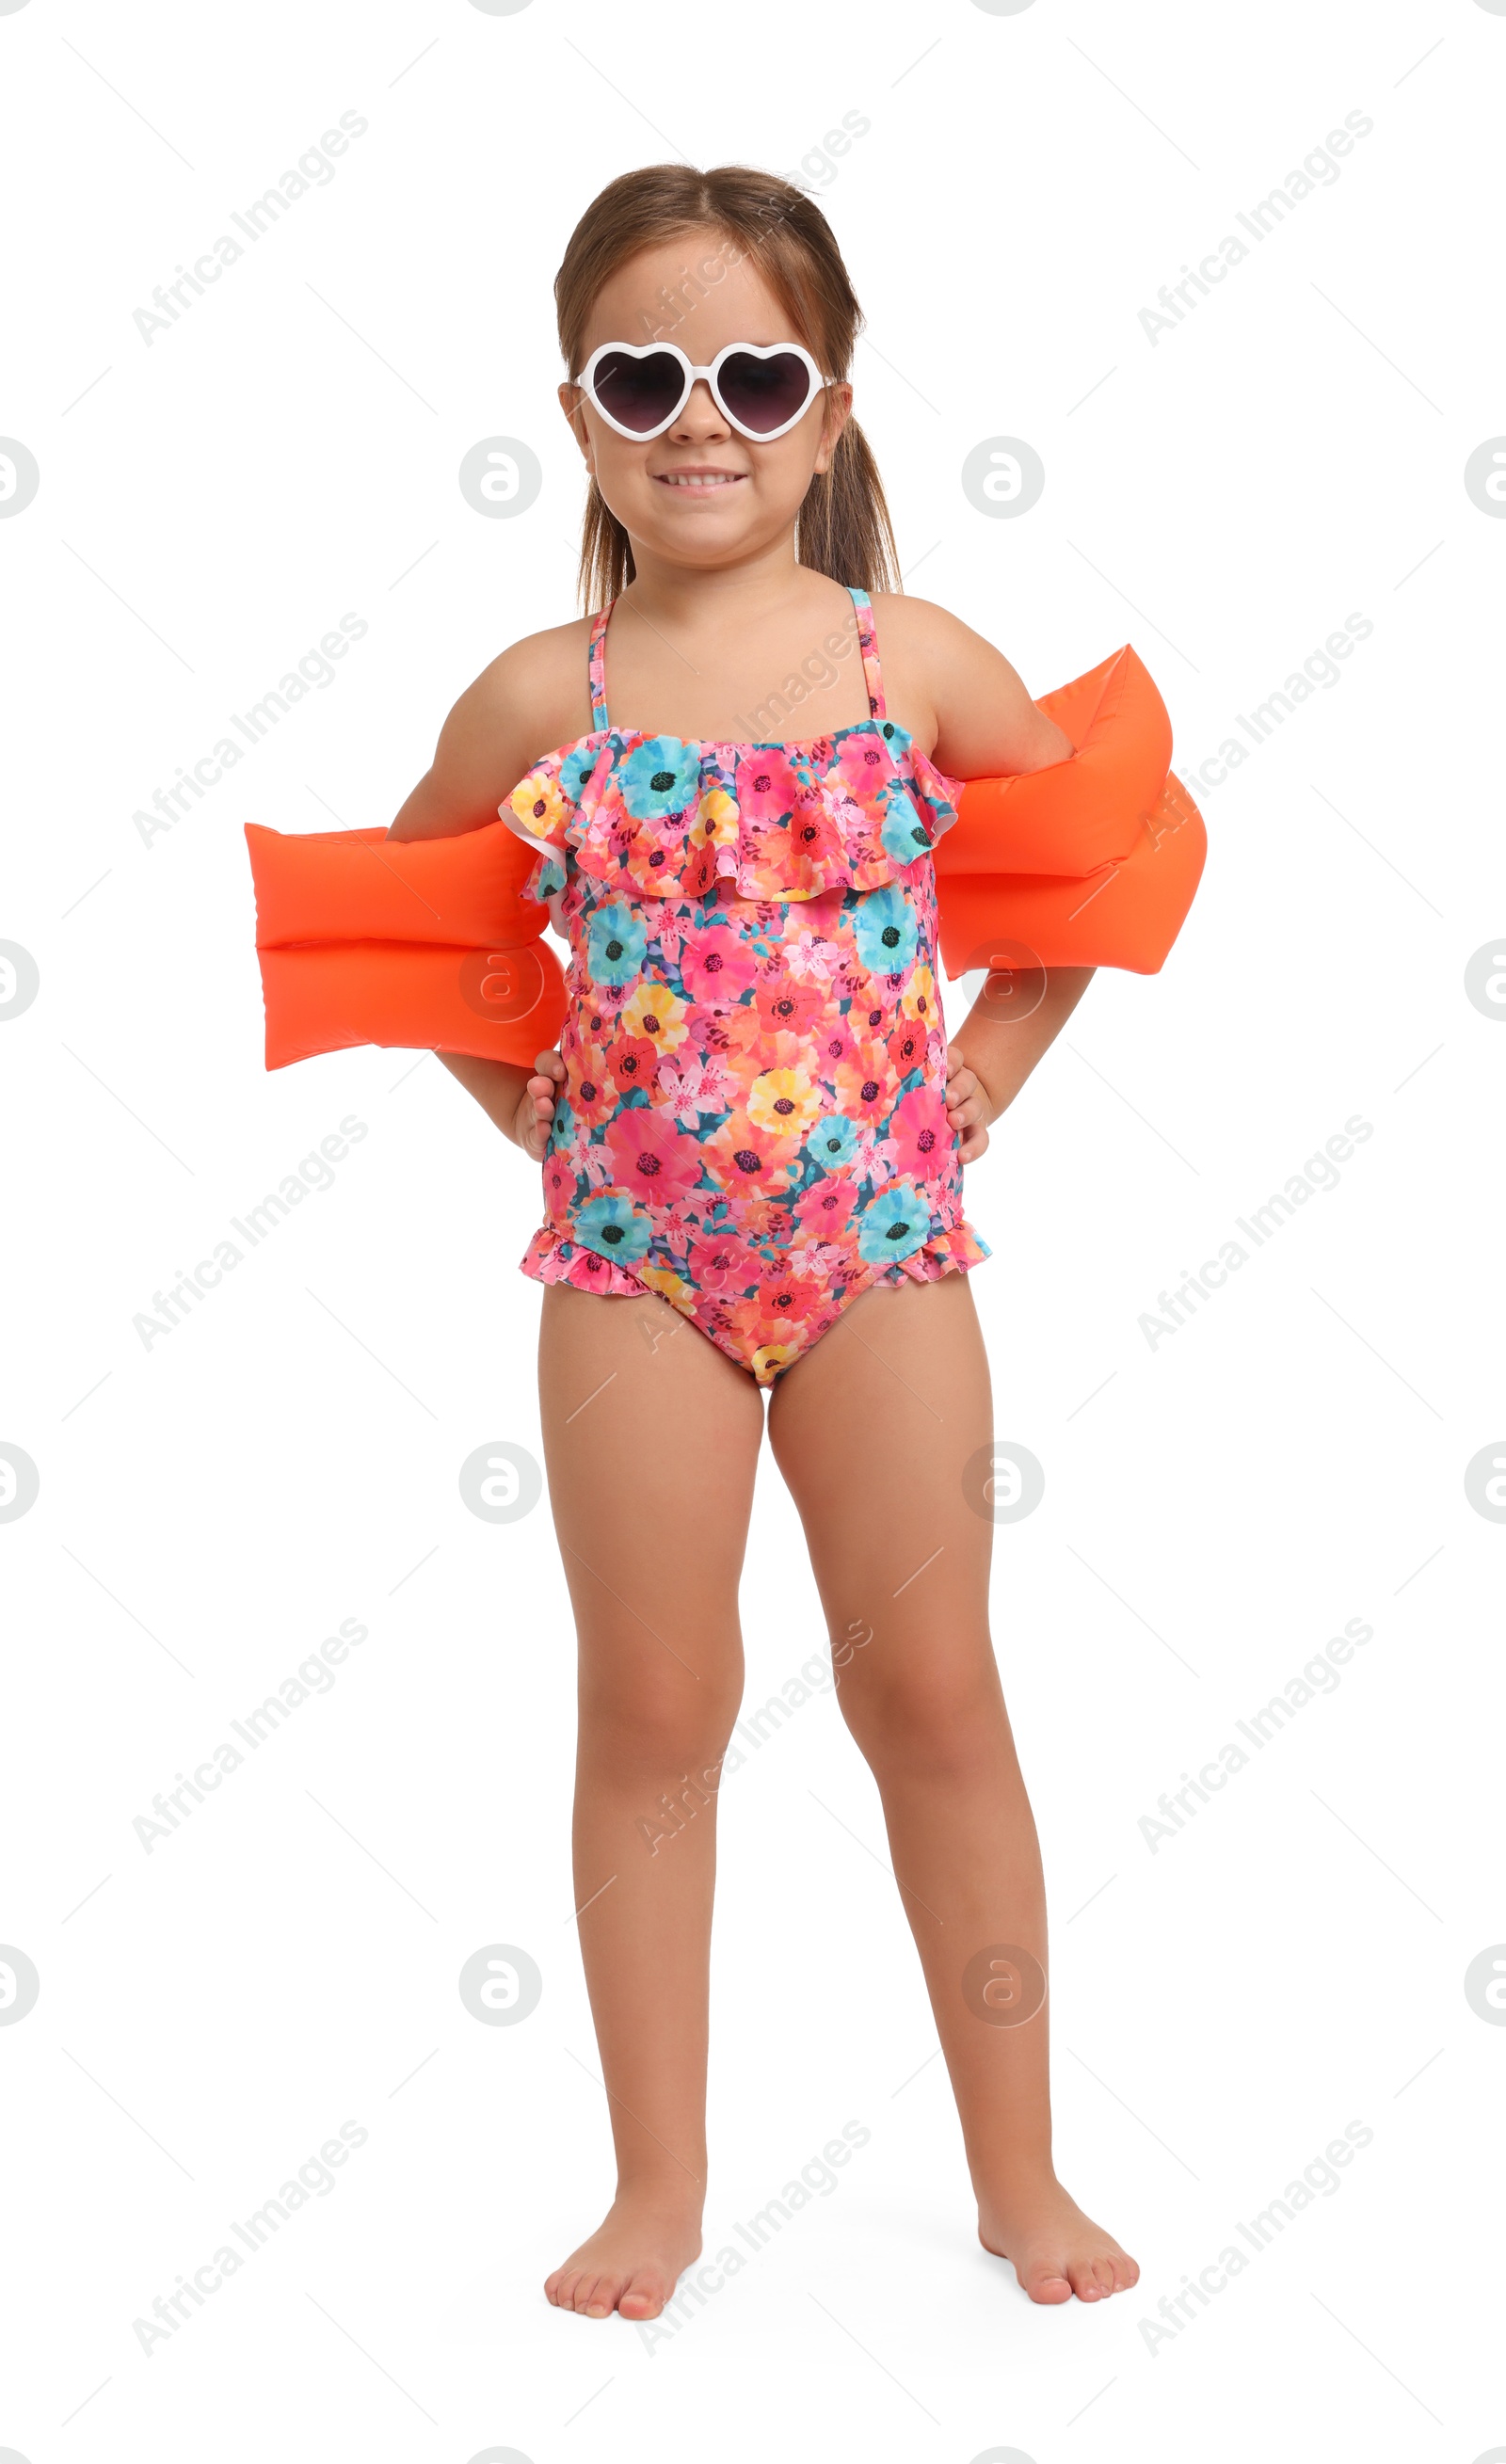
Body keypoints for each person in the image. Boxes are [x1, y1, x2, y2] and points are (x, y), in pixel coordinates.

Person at [387, 162, 1139, 2321]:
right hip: (635, 1263)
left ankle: (1018, 2173)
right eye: (645, 373)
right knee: (651, 1698)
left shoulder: (920, 663)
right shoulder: (551, 694)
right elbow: (417, 921)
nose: (696, 416)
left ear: (825, 411)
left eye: (750, 373)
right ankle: (656, 2188)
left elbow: (1088, 854)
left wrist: (993, 1059)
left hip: (881, 1241)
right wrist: (513, 1095)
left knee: (931, 1685)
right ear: (577, 412)